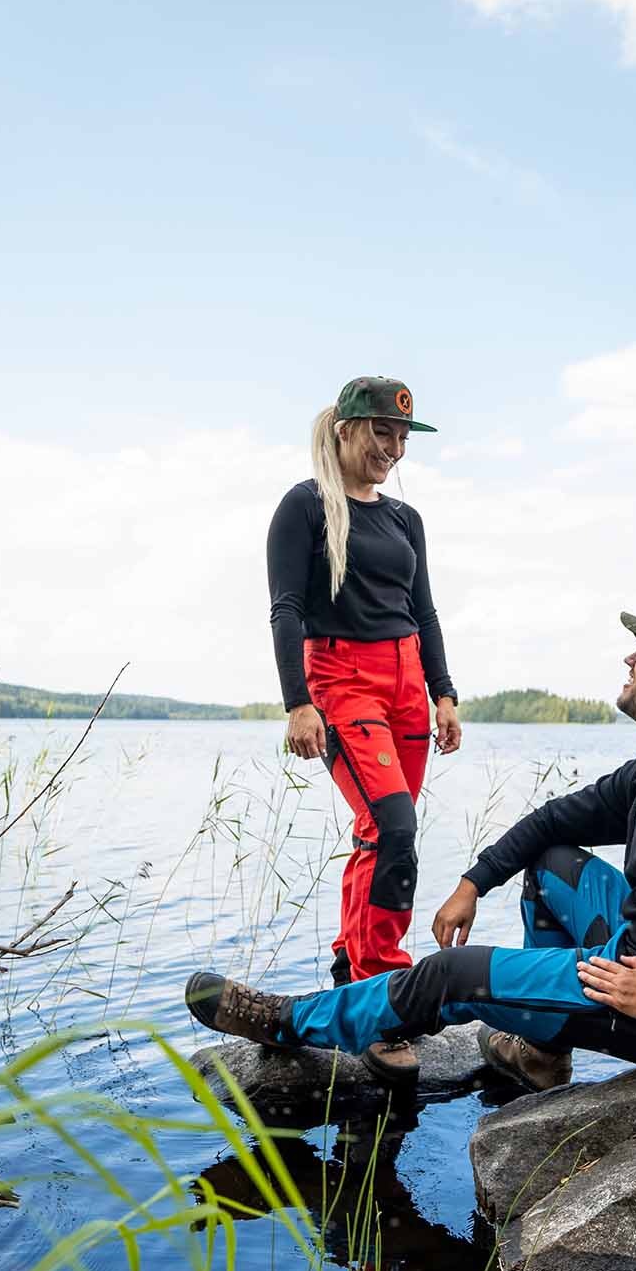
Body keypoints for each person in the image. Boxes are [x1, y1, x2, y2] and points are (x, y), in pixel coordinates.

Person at [186, 605, 636, 1090]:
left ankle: (286, 1020)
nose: (630, 658)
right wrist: (474, 882)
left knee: (451, 977)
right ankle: (542, 1052)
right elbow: (553, 821)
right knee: (550, 864)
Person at [266, 376, 461, 1082]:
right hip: (341, 679)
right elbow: (286, 609)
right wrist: (298, 703)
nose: (394, 448)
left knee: (380, 832)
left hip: (408, 681)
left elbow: (425, 610)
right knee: (395, 827)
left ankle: (352, 962)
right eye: (383, 432)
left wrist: (444, 692)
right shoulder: (305, 505)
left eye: (403, 437)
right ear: (346, 428)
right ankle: (382, 996)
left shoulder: (406, 520)